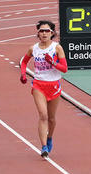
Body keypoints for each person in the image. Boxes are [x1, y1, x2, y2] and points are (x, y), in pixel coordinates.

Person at [20, 20, 68, 157]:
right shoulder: (33, 48)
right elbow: (24, 62)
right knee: (43, 115)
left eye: (47, 31)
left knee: (51, 118)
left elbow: (64, 69)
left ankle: (50, 138)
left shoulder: (57, 48)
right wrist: (23, 74)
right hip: (38, 85)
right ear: (38, 33)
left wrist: (52, 62)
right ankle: (44, 147)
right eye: (41, 31)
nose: (44, 33)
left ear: (52, 33)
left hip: (54, 85)